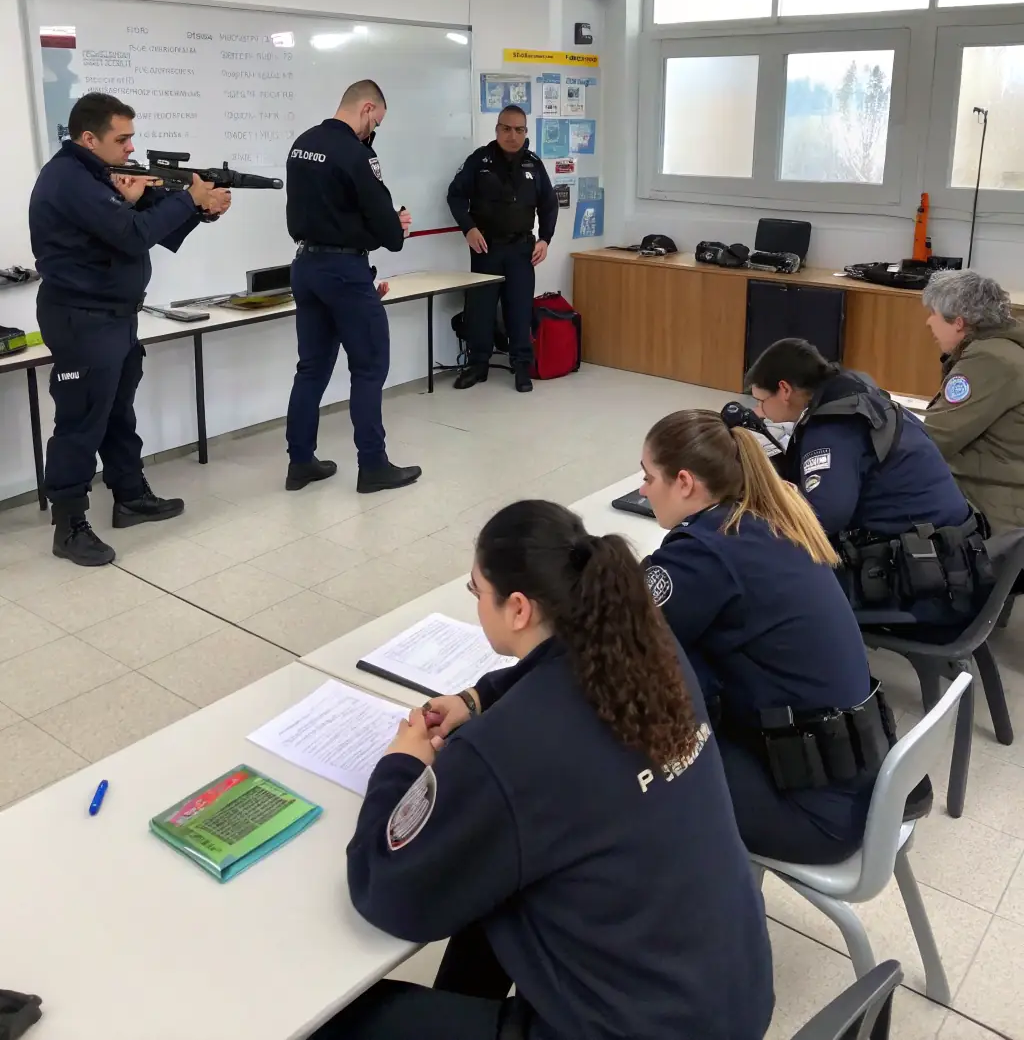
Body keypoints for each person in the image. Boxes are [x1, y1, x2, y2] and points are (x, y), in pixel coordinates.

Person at [323, 500, 774, 1040]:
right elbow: (562, 678)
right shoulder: (653, 650)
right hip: (729, 1002)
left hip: (632, 1029)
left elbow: (387, 892)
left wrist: (401, 766)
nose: (476, 605)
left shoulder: (505, 751)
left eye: (476, 592)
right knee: (495, 892)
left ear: (518, 608)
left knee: (349, 1021)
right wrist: (480, 697)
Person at [638, 408, 897, 865]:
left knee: (627, 754)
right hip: (851, 780)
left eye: (647, 477)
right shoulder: (767, 519)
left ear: (684, 482)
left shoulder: (706, 553)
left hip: (810, 814)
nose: (642, 490)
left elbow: (611, 633)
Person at [28, 92, 232, 567]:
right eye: (121, 139)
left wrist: (200, 210)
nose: (129, 148)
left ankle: (129, 496)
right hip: (81, 317)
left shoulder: (102, 175)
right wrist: (188, 200)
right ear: (87, 138)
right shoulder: (69, 180)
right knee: (81, 420)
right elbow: (132, 234)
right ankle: (70, 525)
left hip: (114, 314)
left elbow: (148, 226)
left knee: (117, 411)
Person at [746, 338, 991, 626]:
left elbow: (820, 520)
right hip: (956, 567)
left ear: (785, 390)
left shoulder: (833, 427)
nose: (760, 412)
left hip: (925, 589)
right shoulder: (863, 399)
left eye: (761, 401)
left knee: (762, 571)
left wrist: (758, 520)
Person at [284, 80, 420, 495]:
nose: (372, 130)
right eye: (375, 121)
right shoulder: (358, 155)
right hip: (344, 270)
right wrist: (394, 226)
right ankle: (373, 466)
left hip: (306, 266)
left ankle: (300, 463)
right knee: (369, 365)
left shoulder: (301, 143)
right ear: (366, 109)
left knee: (311, 369)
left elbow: (327, 211)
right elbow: (386, 228)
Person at [446, 104, 557, 394]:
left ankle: (522, 367)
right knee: (479, 310)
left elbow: (549, 204)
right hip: (486, 248)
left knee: (519, 310)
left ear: (525, 132)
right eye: (506, 129)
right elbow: (455, 195)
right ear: (497, 130)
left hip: (521, 249)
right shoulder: (479, 161)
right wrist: (468, 228)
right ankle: (477, 365)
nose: (512, 135)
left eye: (519, 129)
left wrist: (545, 238)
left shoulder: (534, 164)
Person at [922, 269, 1024, 534]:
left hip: (994, 511)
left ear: (958, 322)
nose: (928, 323)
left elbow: (935, 439)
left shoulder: (989, 360)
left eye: (932, 313)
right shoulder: (1006, 348)